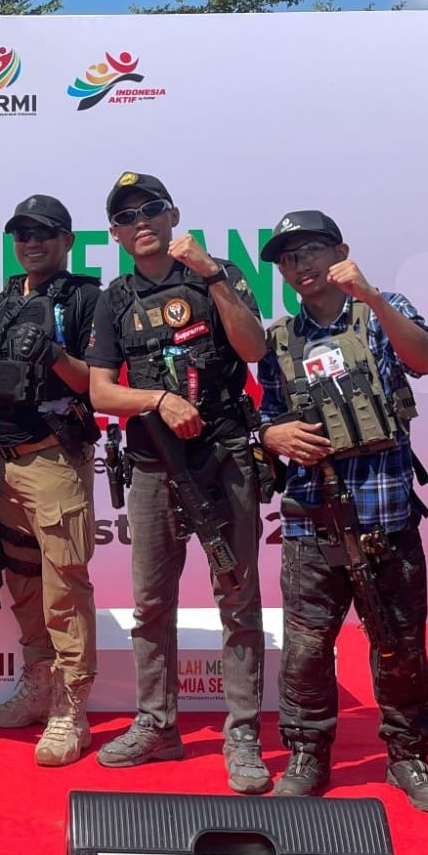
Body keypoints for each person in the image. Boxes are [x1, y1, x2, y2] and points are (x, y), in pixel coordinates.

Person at [256, 211, 428, 812]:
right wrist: (273, 436)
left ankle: (407, 754)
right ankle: (308, 753)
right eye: (289, 259)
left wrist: (371, 296)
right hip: (312, 521)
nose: (301, 266)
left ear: (341, 251)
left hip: (385, 514)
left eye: (312, 251)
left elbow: (425, 360)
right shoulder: (280, 340)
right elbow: (265, 417)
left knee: (399, 640)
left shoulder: (381, 310)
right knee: (306, 648)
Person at [84, 171, 272, 793]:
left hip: (224, 456)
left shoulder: (216, 274)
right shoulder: (114, 299)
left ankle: (241, 734)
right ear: (114, 233)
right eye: (126, 216)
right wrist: (158, 399)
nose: (140, 222)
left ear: (173, 215)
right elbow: (100, 392)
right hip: (152, 466)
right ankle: (157, 725)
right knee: (151, 603)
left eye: (151, 209)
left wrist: (213, 275)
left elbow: (252, 349)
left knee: (238, 598)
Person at [0, 195, 102, 766]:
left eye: (43, 233)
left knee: (64, 585)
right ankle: (39, 682)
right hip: (2, 460)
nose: (31, 243)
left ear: (67, 240)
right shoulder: (5, 300)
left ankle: (72, 708)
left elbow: (98, 382)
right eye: (22, 234)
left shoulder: (86, 298)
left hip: (54, 459)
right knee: (22, 578)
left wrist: (52, 354)